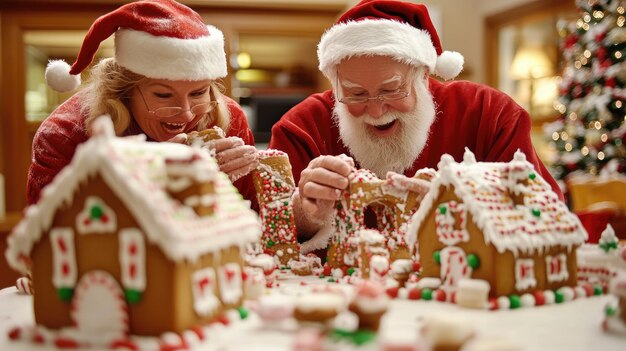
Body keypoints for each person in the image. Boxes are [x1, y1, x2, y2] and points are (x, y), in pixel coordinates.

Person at [268, 0, 564, 251]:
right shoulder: (302, 127)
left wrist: (467, 203)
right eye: (356, 94)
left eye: (391, 89)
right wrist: (305, 215)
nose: (375, 109)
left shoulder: (490, 114)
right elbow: (265, 240)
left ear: (424, 76)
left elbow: (547, 216)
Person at [28, 0, 259, 210]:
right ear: (123, 91)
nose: (187, 113)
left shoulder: (228, 119)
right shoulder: (65, 135)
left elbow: (254, 216)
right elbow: (52, 235)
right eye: (163, 95)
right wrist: (152, 181)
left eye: (199, 92)